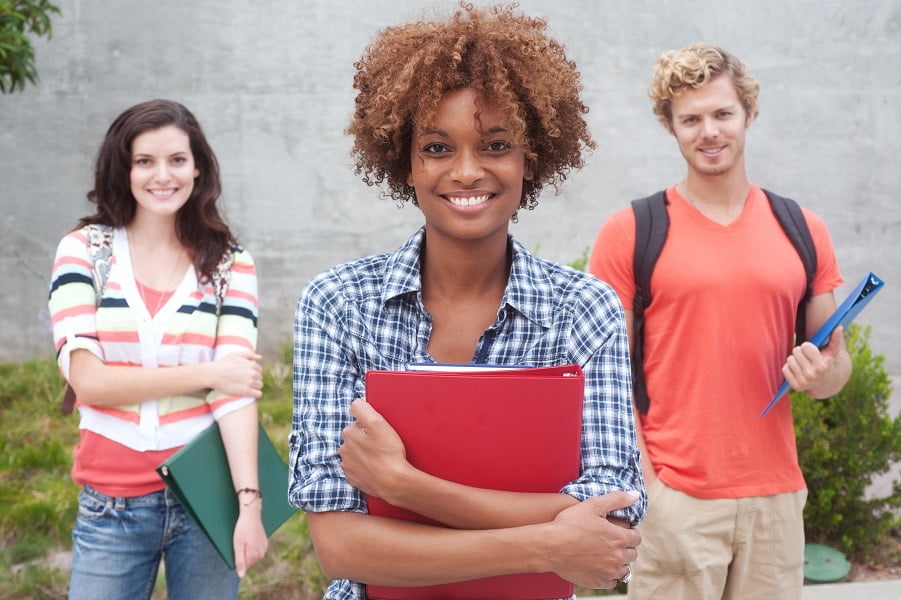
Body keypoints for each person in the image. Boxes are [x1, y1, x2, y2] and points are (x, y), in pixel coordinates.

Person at [288, 4, 646, 599]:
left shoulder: (585, 310)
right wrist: (547, 540)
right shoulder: (338, 305)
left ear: (530, 158)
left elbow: (611, 525)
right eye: (436, 147)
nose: (467, 170)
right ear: (404, 162)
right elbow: (342, 547)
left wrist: (405, 487)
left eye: (495, 144)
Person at [589, 43, 852, 599]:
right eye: (691, 118)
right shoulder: (631, 231)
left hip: (776, 501)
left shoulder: (803, 228)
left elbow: (835, 367)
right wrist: (650, 492)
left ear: (748, 114)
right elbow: (604, 375)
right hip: (676, 498)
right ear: (671, 126)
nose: (709, 131)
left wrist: (819, 374)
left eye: (722, 113)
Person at [48, 99, 268, 600]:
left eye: (176, 160)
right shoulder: (84, 251)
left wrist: (249, 505)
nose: (162, 175)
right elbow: (91, 384)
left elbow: (233, 394)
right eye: (144, 161)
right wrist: (209, 373)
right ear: (122, 168)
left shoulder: (232, 265)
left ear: (198, 168)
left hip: (206, 497)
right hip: (113, 503)